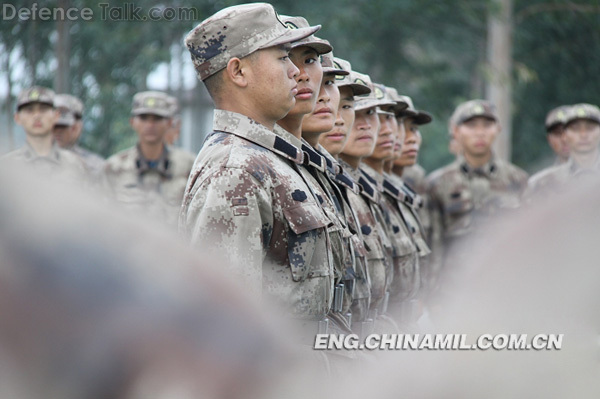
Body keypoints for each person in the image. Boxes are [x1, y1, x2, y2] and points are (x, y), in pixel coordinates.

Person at [178, 3, 335, 345]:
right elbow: (223, 328)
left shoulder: (272, 159)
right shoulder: (234, 170)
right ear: (238, 72)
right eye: (282, 58)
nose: (296, 71)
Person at [426, 99, 528, 297]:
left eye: (487, 125)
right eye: (471, 125)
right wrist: (433, 298)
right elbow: (433, 247)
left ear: (498, 129)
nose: (480, 132)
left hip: (508, 292)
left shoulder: (518, 180)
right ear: (456, 131)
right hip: (454, 294)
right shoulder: (439, 184)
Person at [103, 90, 195, 227]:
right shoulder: (114, 168)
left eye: (157, 118)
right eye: (144, 118)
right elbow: (104, 220)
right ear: (132, 122)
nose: (150, 125)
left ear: (169, 123)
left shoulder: (189, 166)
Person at [2, 86, 85, 181]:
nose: (37, 116)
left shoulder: (75, 166)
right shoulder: (6, 167)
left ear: (56, 115)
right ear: (17, 118)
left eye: (43, 109)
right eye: (29, 110)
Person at [526, 103, 600, 198]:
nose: (583, 135)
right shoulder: (541, 184)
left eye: (590, 128)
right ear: (564, 135)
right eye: (575, 129)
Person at [52, 93, 105, 178]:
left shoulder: (95, 166)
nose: (57, 131)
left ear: (77, 127)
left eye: (63, 126)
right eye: (53, 126)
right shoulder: (32, 161)